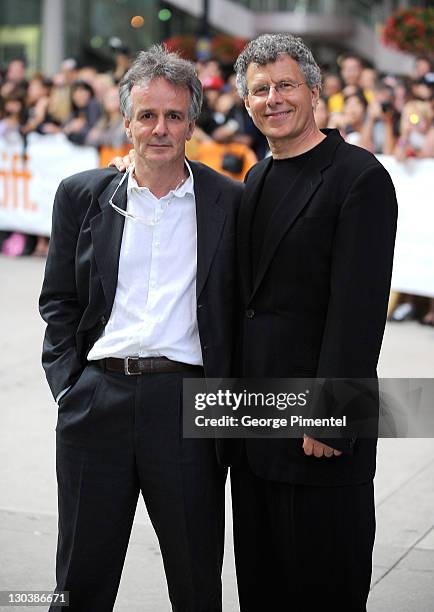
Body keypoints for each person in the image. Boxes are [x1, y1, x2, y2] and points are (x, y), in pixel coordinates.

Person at [39, 45, 242, 612]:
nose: (160, 129)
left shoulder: (228, 201)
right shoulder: (81, 195)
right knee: (80, 578)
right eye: (147, 115)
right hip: (96, 400)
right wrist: (68, 385)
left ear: (192, 123)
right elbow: (58, 299)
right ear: (126, 119)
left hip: (186, 404)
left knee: (196, 577)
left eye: (174, 116)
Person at [230, 33, 397, 611]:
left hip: (316, 429)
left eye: (285, 85)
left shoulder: (359, 177)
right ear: (246, 104)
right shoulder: (256, 178)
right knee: (262, 585)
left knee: (324, 586)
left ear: (314, 92)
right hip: (252, 424)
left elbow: (359, 309)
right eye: (260, 90)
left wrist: (331, 416)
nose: (273, 98)